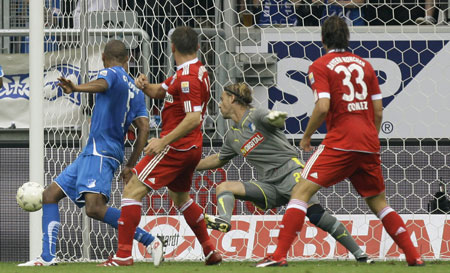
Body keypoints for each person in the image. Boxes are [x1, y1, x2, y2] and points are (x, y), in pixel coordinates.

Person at [256, 16, 424, 267]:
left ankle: (279, 255)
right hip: (368, 142)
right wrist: (369, 137)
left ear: (323, 39)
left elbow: (323, 106)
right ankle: (414, 255)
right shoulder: (366, 66)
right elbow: (378, 111)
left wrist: (307, 135)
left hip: (340, 141)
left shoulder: (320, 66)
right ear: (347, 38)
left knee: (300, 192)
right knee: (379, 203)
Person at [18, 40, 164, 267]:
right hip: (98, 151)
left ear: (104, 57)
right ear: (128, 60)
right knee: (50, 195)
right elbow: (144, 127)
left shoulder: (111, 73)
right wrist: (131, 164)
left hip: (100, 151)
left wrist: (76, 88)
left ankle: (150, 240)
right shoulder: (135, 90)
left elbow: (103, 83)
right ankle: (47, 257)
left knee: (94, 208)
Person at [196, 82, 373, 264]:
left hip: (291, 173)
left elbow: (273, 119)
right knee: (225, 187)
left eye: (221, 99)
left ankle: (361, 255)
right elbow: (218, 159)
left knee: (316, 215)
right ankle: (224, 220)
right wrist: (191, 166)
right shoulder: (232, 136)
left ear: (232, 98)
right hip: (269, 185)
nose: (218, 104)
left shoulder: (255, 115)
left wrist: (277, 119)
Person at [99, 26, 222, 266]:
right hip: (191, 148)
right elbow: (160, 90)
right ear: (198, 47)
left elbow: (193, 118)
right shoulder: (192, 72)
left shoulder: (187, 78)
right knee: (181, 198)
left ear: (172, 47)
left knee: (132, 189)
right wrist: (144, 85)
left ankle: (123, 255)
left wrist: (162, 141)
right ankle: (209, 250)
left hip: (176, 147)